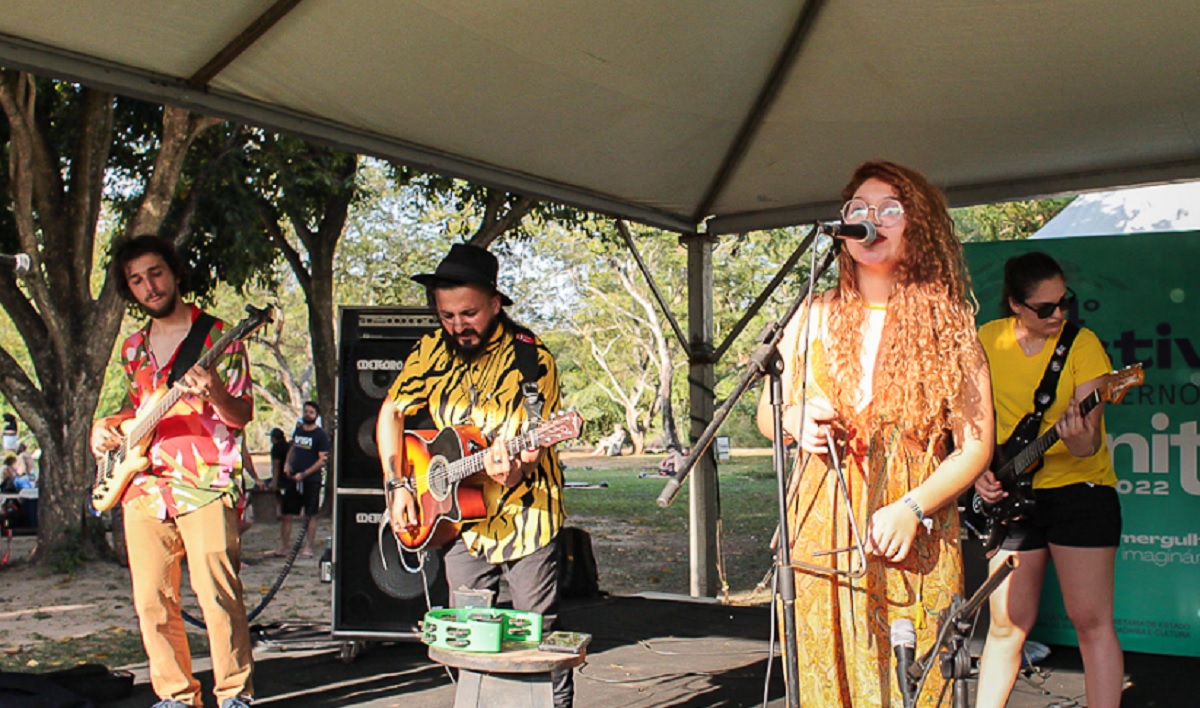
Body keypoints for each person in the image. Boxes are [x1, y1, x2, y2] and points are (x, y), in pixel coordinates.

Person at [755, 161, 993, 706]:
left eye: (890, 209)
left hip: (911, 528)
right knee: (825, 676)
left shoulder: (951, 327)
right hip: (821, 529)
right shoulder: (810, 314)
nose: (870, 220)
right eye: (857, 210)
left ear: (919, 227)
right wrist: (791, 419)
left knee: (913, 681)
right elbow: (769, 416)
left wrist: (913, 507)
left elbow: (976, 445)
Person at [378, 243, 573, 707]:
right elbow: (391, 412)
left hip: (527, 513)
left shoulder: (532, 360)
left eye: (468, 314)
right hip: (458, 518)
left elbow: (533, 445)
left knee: (537, 644)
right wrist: (397, 485)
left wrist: (513, 467)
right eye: (446, 316)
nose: (457, 326)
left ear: (495, 304)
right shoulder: (431, 350)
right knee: (466, 639)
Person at [89, 234, 254, 708]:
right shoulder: (133, 348)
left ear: (175, 273)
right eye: (136, 280)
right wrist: (107, 425)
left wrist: (215, 393)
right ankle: (176, 696)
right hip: (142, 486)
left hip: (205, 482)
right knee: (153, 602)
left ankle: (234, 694)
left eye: (155, 273)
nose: (149, 286)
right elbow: (139, 410)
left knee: (218, 596)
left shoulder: (219, 335)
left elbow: (241, 416)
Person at [973, 252, 1123, 708]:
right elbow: (971, 420)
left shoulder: (1083, 345)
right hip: (1012, 495)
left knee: (1091, 621)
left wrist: (1077, 434)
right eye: (1045, 308)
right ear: (1016, 305)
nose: (1058, 314)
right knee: (1005, 626)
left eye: (1064, 303)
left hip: (1081, 493)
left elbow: (1086, 445)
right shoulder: (986, 340)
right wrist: (978, 470)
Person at [268, 402, 329, 559]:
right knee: (287, 513)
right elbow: (293, 448)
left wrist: (306, 473)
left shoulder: (320, 435)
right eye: (306, 411)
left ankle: (308, 547)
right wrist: (288, 464)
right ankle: (283, 546)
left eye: (311, 412)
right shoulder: (299, 430)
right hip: (293, 479)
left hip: (311, 480)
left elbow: (322, 460)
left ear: (317, 415)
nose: (308, 414)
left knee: (310, 514)